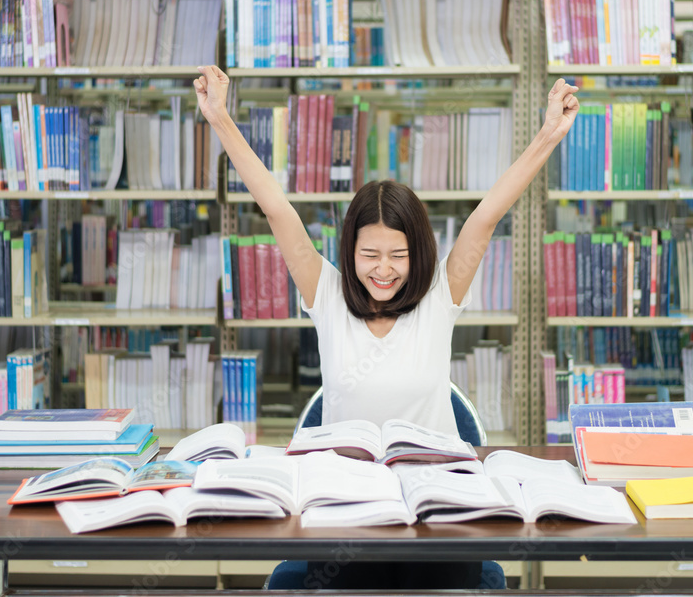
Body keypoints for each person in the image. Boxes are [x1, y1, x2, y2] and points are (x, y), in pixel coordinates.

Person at [194, 65, 579, 588]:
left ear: (417, 252)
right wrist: (219, 118)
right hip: (348, 513)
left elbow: (486, 216)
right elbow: (277, 209)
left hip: (440, 513)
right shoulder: (326, 295)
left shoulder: (440, 298)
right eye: (369, 254)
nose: (383, 269)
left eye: (398, 255)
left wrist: (548, 135)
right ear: (349, 251)